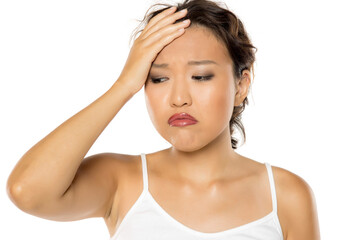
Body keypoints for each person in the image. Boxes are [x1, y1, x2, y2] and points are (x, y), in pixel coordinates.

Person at [6, 0, 320, 239]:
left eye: (200, 75)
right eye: (157, 79)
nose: (178, 98)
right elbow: (26, 191)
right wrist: (123, 85)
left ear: (241, 85)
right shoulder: (122, 181)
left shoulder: (287, 196)